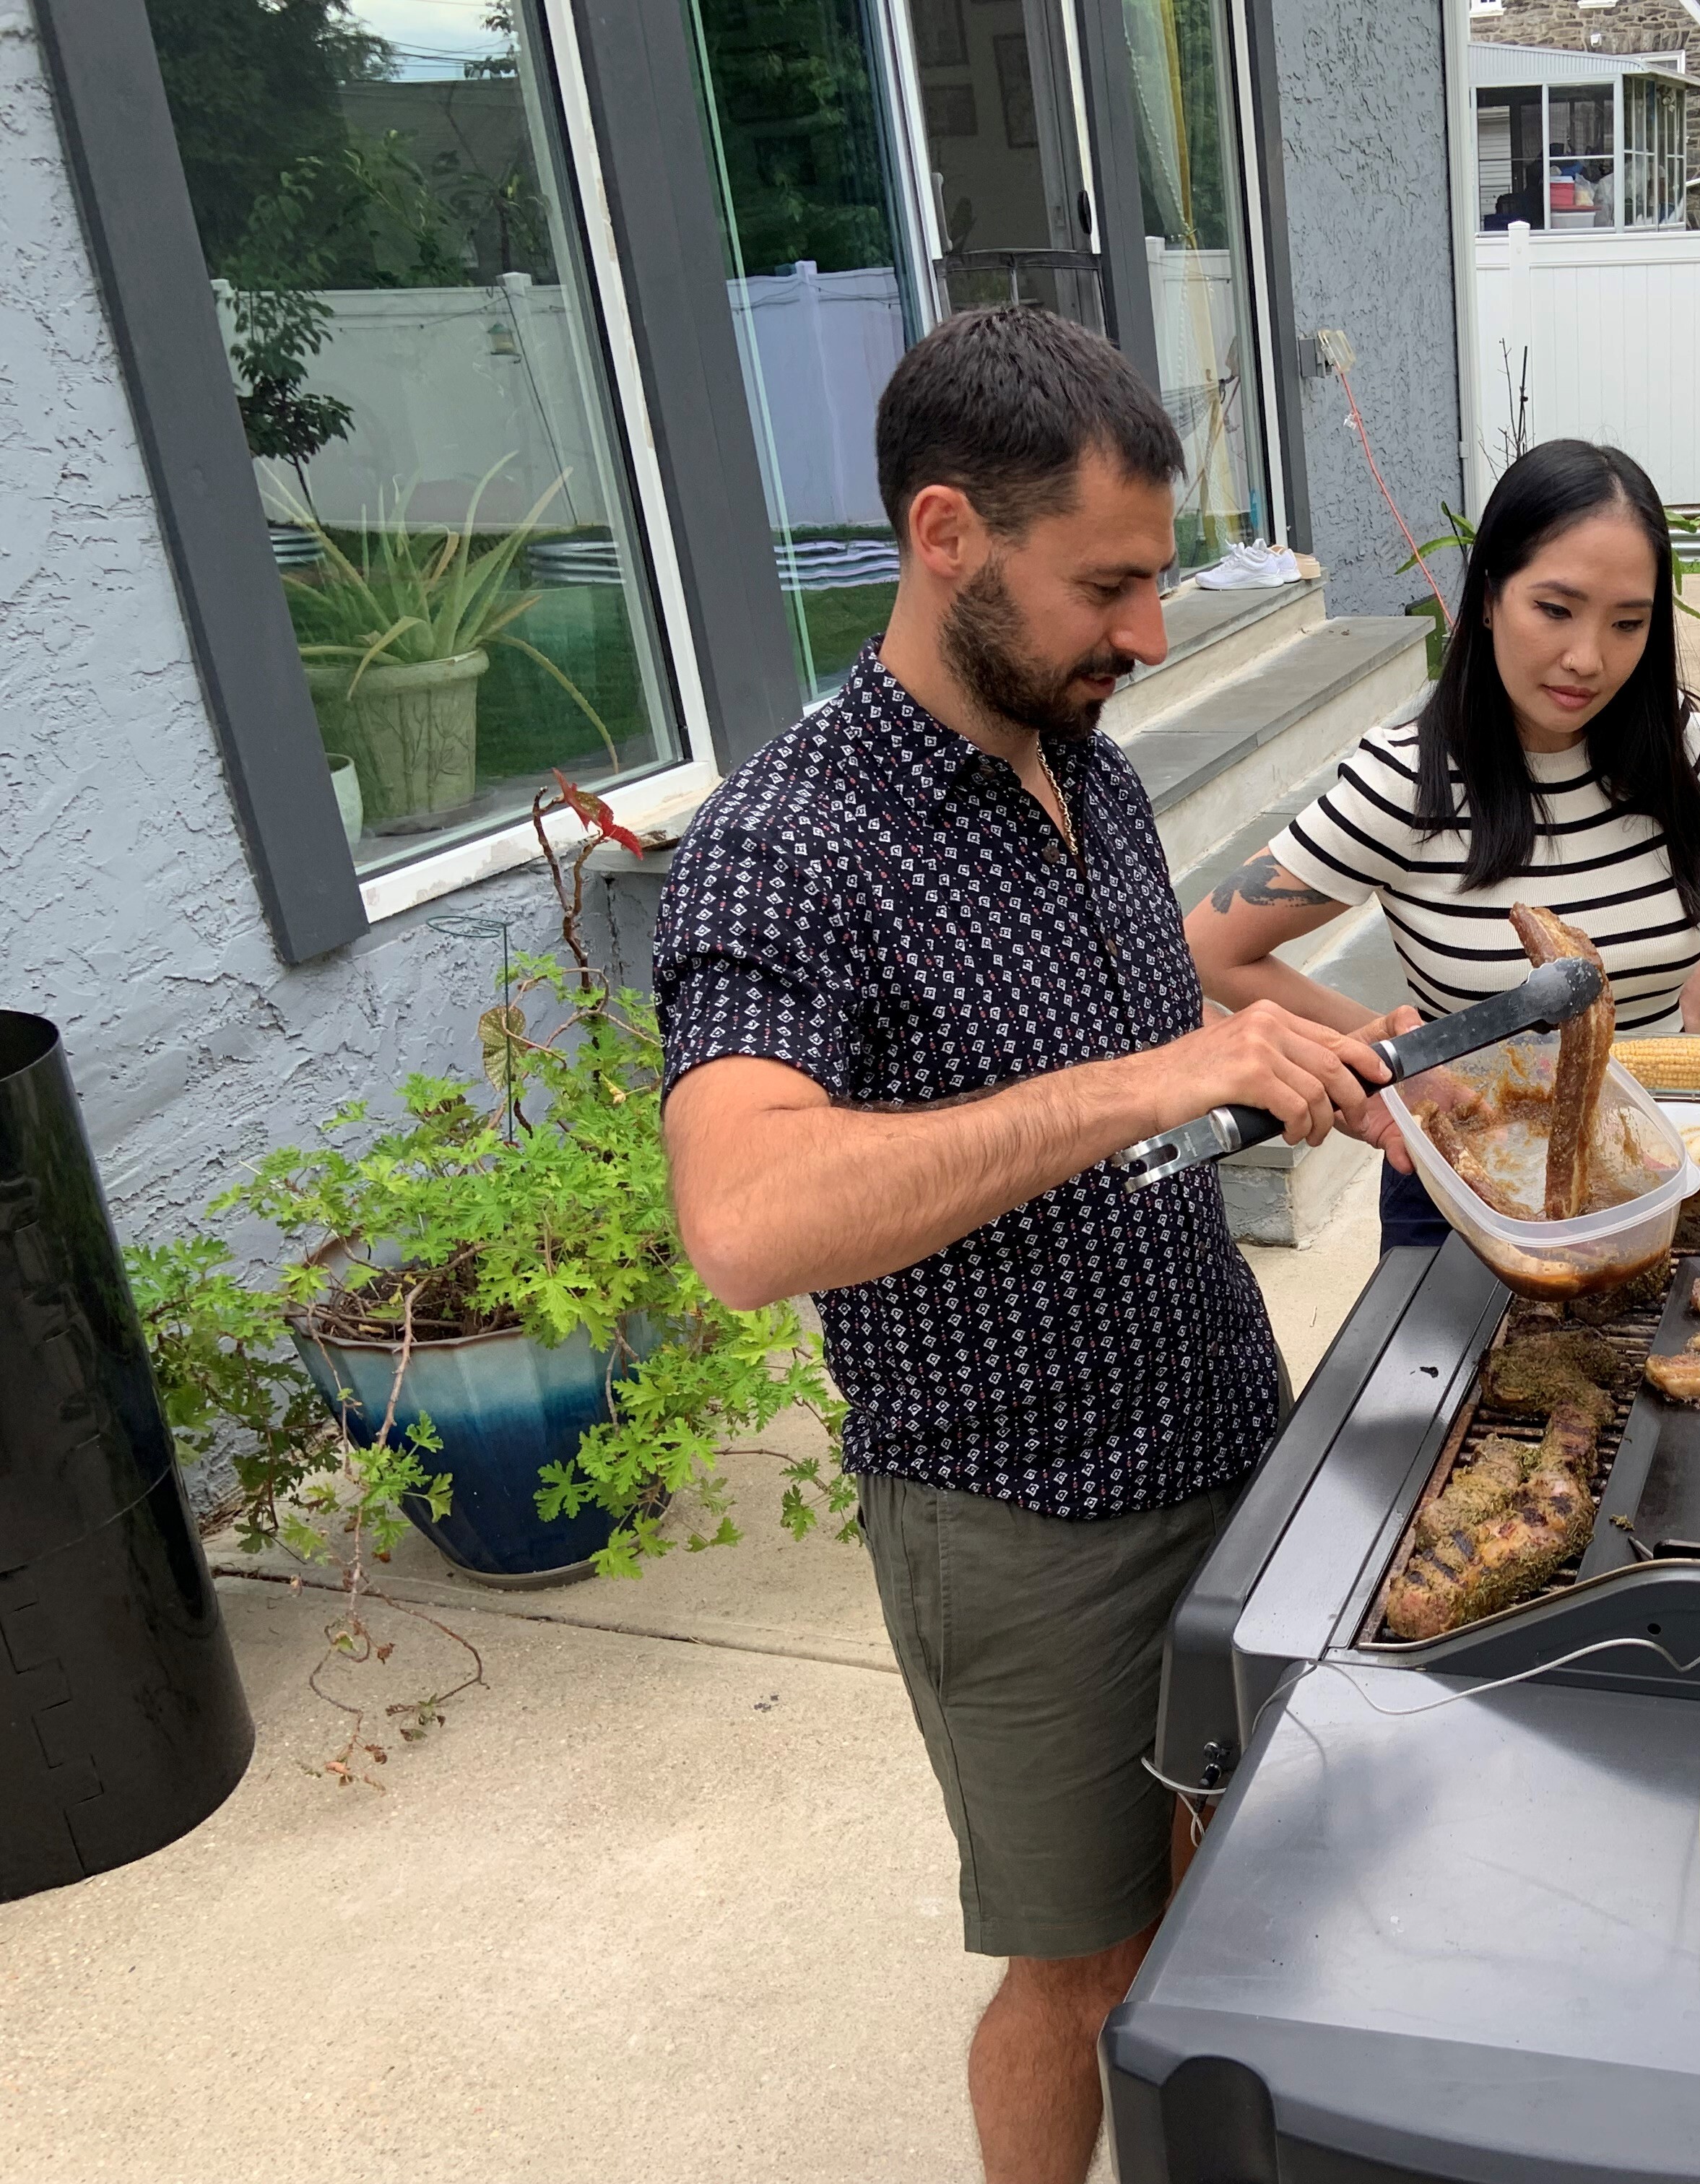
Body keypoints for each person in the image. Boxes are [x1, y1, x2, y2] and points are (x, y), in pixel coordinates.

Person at [653, 308, 1395, 2184]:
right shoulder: (790, 840)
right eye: (1111, 585)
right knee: (1084, 1971)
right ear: (945, 536)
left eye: (1155, 582)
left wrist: (1321, 1063)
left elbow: (1167, 1054)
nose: (1149, 634)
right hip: (1028, 1516)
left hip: (1226, 1426)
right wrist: (1149, 1078)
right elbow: (745, 1219)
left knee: (1230, 1886)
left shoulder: (1095, 761)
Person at [1184, 438, 1700, 1249]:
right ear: (1487, 598)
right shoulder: (1412, 782)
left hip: (1657, 1160)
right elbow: (1211, 948)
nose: (1588, 659)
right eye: (1555, 609)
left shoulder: (1674, 748)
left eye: (1628, 623)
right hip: (1472, 1184)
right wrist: (1402, 1053)